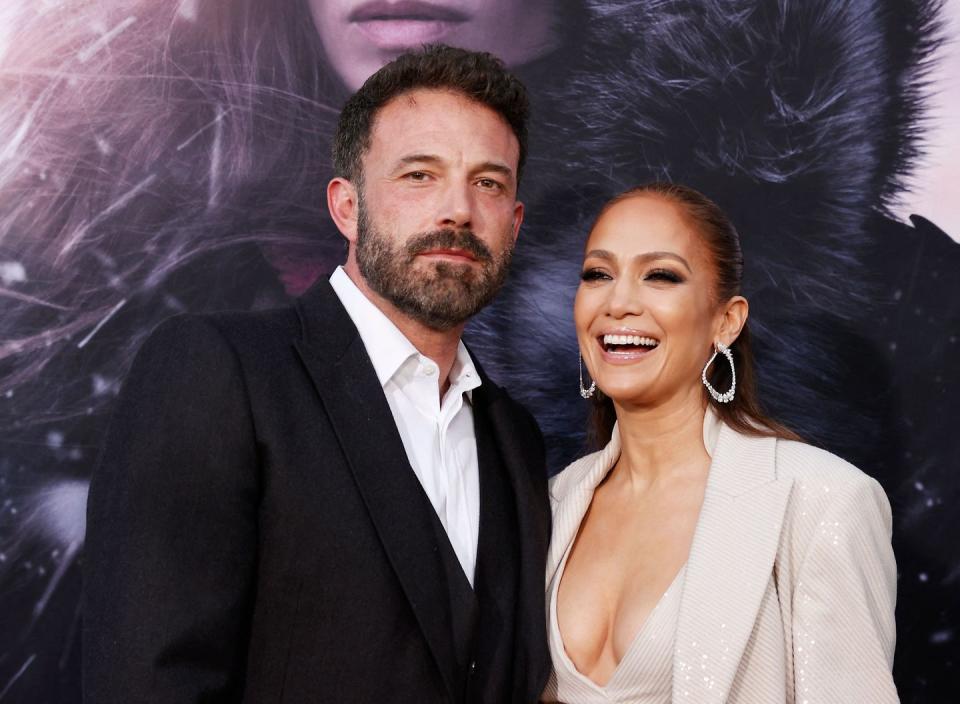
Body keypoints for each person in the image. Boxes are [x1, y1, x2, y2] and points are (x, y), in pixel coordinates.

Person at [81, 45, 551, 703]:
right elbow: (145, 681)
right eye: (419, 175)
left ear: (514, 224)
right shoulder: (217, 373)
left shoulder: (516, 438)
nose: (458, 210)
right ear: (347, 207)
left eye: (489, 183)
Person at [541, 183, 898, 703]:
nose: (618, 302)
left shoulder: (820, 500)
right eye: (598, 274)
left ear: (726, 321)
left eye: (659, 275)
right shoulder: (553, 502)